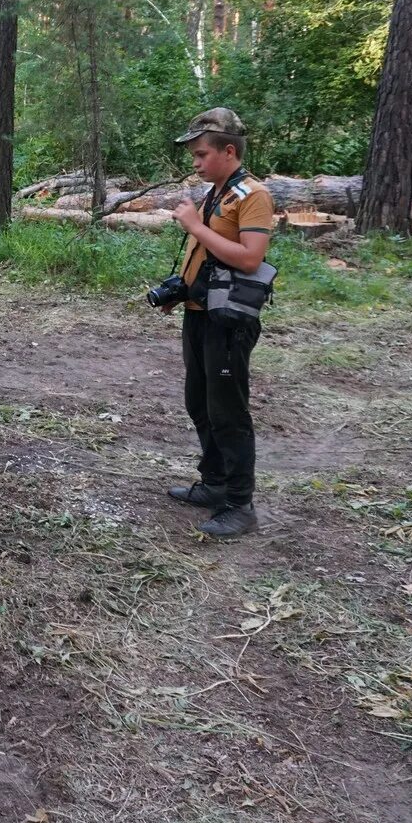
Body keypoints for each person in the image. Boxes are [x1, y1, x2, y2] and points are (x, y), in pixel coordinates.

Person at [164, 108, 273, 538]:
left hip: (228, 321)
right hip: (200, 313)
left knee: (228, 411)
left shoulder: (252, 194)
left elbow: (250, 258)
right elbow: (206, 256)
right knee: (200, 403)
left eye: (201, 153)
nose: (195, 162)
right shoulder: (215, 192)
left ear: (229, 151)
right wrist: (182, 291)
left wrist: (192, 223)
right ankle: (213, 483)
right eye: (193, 154)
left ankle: (239, 504)